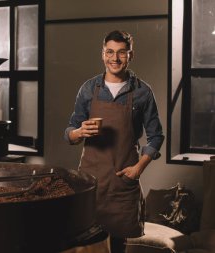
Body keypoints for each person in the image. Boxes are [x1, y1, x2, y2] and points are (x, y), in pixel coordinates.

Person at [64, 30, 164, 253]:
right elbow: (69, 132)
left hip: (122, 181)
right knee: (86, 244)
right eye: (110, 52)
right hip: (91, 180)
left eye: (121, 53)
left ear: (131, 55)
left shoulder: (142, 92)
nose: (115, 58)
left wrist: (138, 169)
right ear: (103, 54)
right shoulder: (89, 89)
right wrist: (79, 132)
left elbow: (156, 135)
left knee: (117, 246)